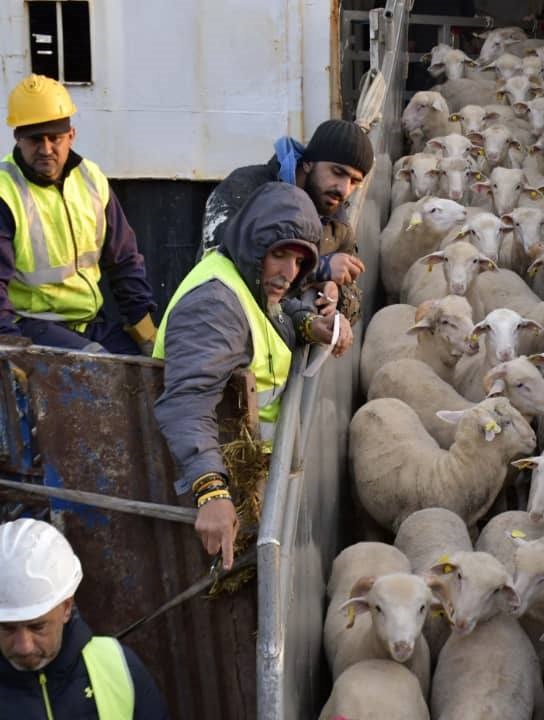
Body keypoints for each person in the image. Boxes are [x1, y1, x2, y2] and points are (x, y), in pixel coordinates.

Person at [154, 183, 353, 571]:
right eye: (278, 255)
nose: (287, 274)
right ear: (253, 244)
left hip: (256, 472)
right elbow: (187, 401)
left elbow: (275, 311)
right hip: (225, 481)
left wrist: (309, 323)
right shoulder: (214, 305)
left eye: (299, 262)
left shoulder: (249, 277)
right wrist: (211, 492)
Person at [0, 75, 157, 354]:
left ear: (70, 136)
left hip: (88, 323)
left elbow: (123, 260)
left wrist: (144, 330)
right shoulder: (5, 193)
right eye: (36, 139)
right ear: (18, 138)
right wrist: (11, 351)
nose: (46, 149)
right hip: (31, 325)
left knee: (153, 367)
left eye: (55, 138)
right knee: (98, 369)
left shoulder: (91, 179)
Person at [201, 119, 375, 322]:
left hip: (272, 343)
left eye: (355, 182)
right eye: (337, 172)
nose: (344, 189)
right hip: (217, 324)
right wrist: (317, 270)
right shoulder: (246, 188)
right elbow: (219, 254)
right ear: (309, 163)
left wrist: (335, 293)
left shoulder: (338, 227)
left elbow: (354, 301)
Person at [0, 518, 169, 718]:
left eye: (37, 627)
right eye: (7, 628)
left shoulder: (117, 667)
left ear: (66, 607)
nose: (23, 647)